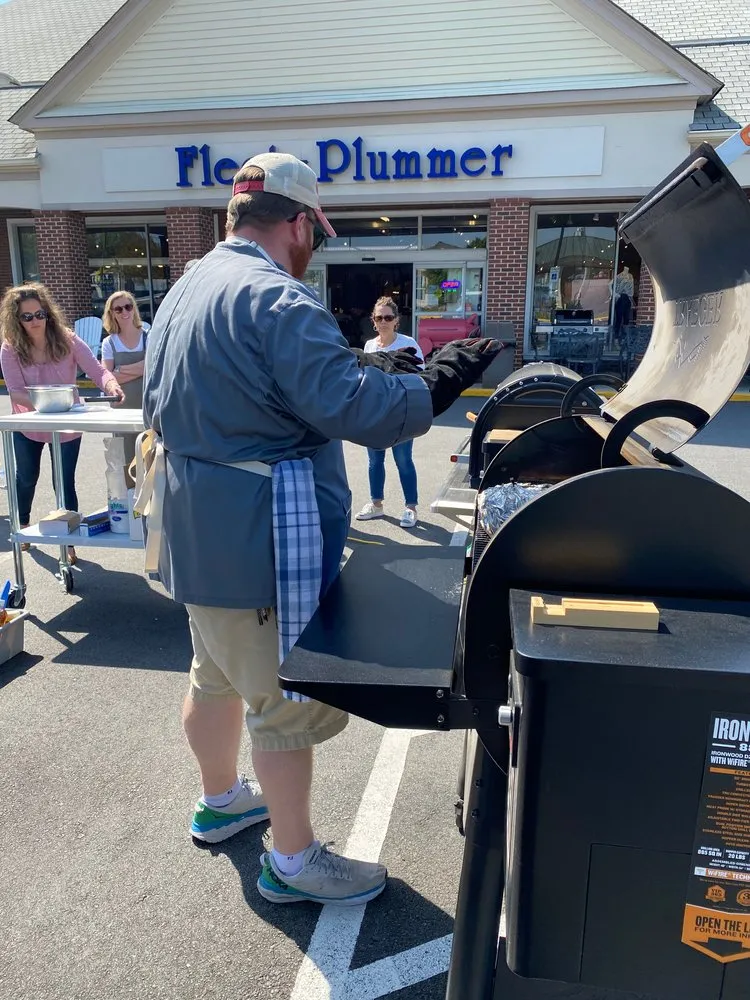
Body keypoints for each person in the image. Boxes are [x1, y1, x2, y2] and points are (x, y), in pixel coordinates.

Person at [142, 152, 498, 906]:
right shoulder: (278, 300)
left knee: (213, 677)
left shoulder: (187, 285)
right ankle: (295, 862)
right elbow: (359, 412)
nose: (317, 247)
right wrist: (438, 378)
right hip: (254, 537)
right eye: (318, 233)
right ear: (300, 221)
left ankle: (220, 801)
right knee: (281, 704)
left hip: (193, 533)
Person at [0, 283, 125, 564]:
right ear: (16, 319)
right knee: (27, 477)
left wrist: (112, 385)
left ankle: (68, 542)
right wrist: (51, 405)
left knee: (64, 482)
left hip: (67, 425)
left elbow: (96, 369)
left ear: (48, 314)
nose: (35, 321)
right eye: (27, 316)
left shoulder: (67, 339)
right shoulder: (10, 347)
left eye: (39, 314)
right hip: (29, 425)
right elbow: (16, 390)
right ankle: (22, 523)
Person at [356, 297, 424, 528]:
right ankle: (376, 505)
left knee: (403, 460)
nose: (383, 321)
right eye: (379, 317)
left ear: (396, 321)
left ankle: (410, 507)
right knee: (375, 460)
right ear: (373, 321)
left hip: (402, 413)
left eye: (388, 317)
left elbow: (420, 377)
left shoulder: (408, 343)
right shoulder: (369, 346)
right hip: (375, 413)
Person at [101, 290, 148, 486]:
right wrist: (140, 368)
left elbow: (153, 366)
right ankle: (130, 508)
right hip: (121, 410)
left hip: (147, 407)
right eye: (118, 309)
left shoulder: (149, 335)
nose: (124, 312)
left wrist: (121, 369)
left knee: (149, 457)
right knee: (126, 461)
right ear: (111, 313)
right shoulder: (109, 342)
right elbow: (106, 376)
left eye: (128, 307)